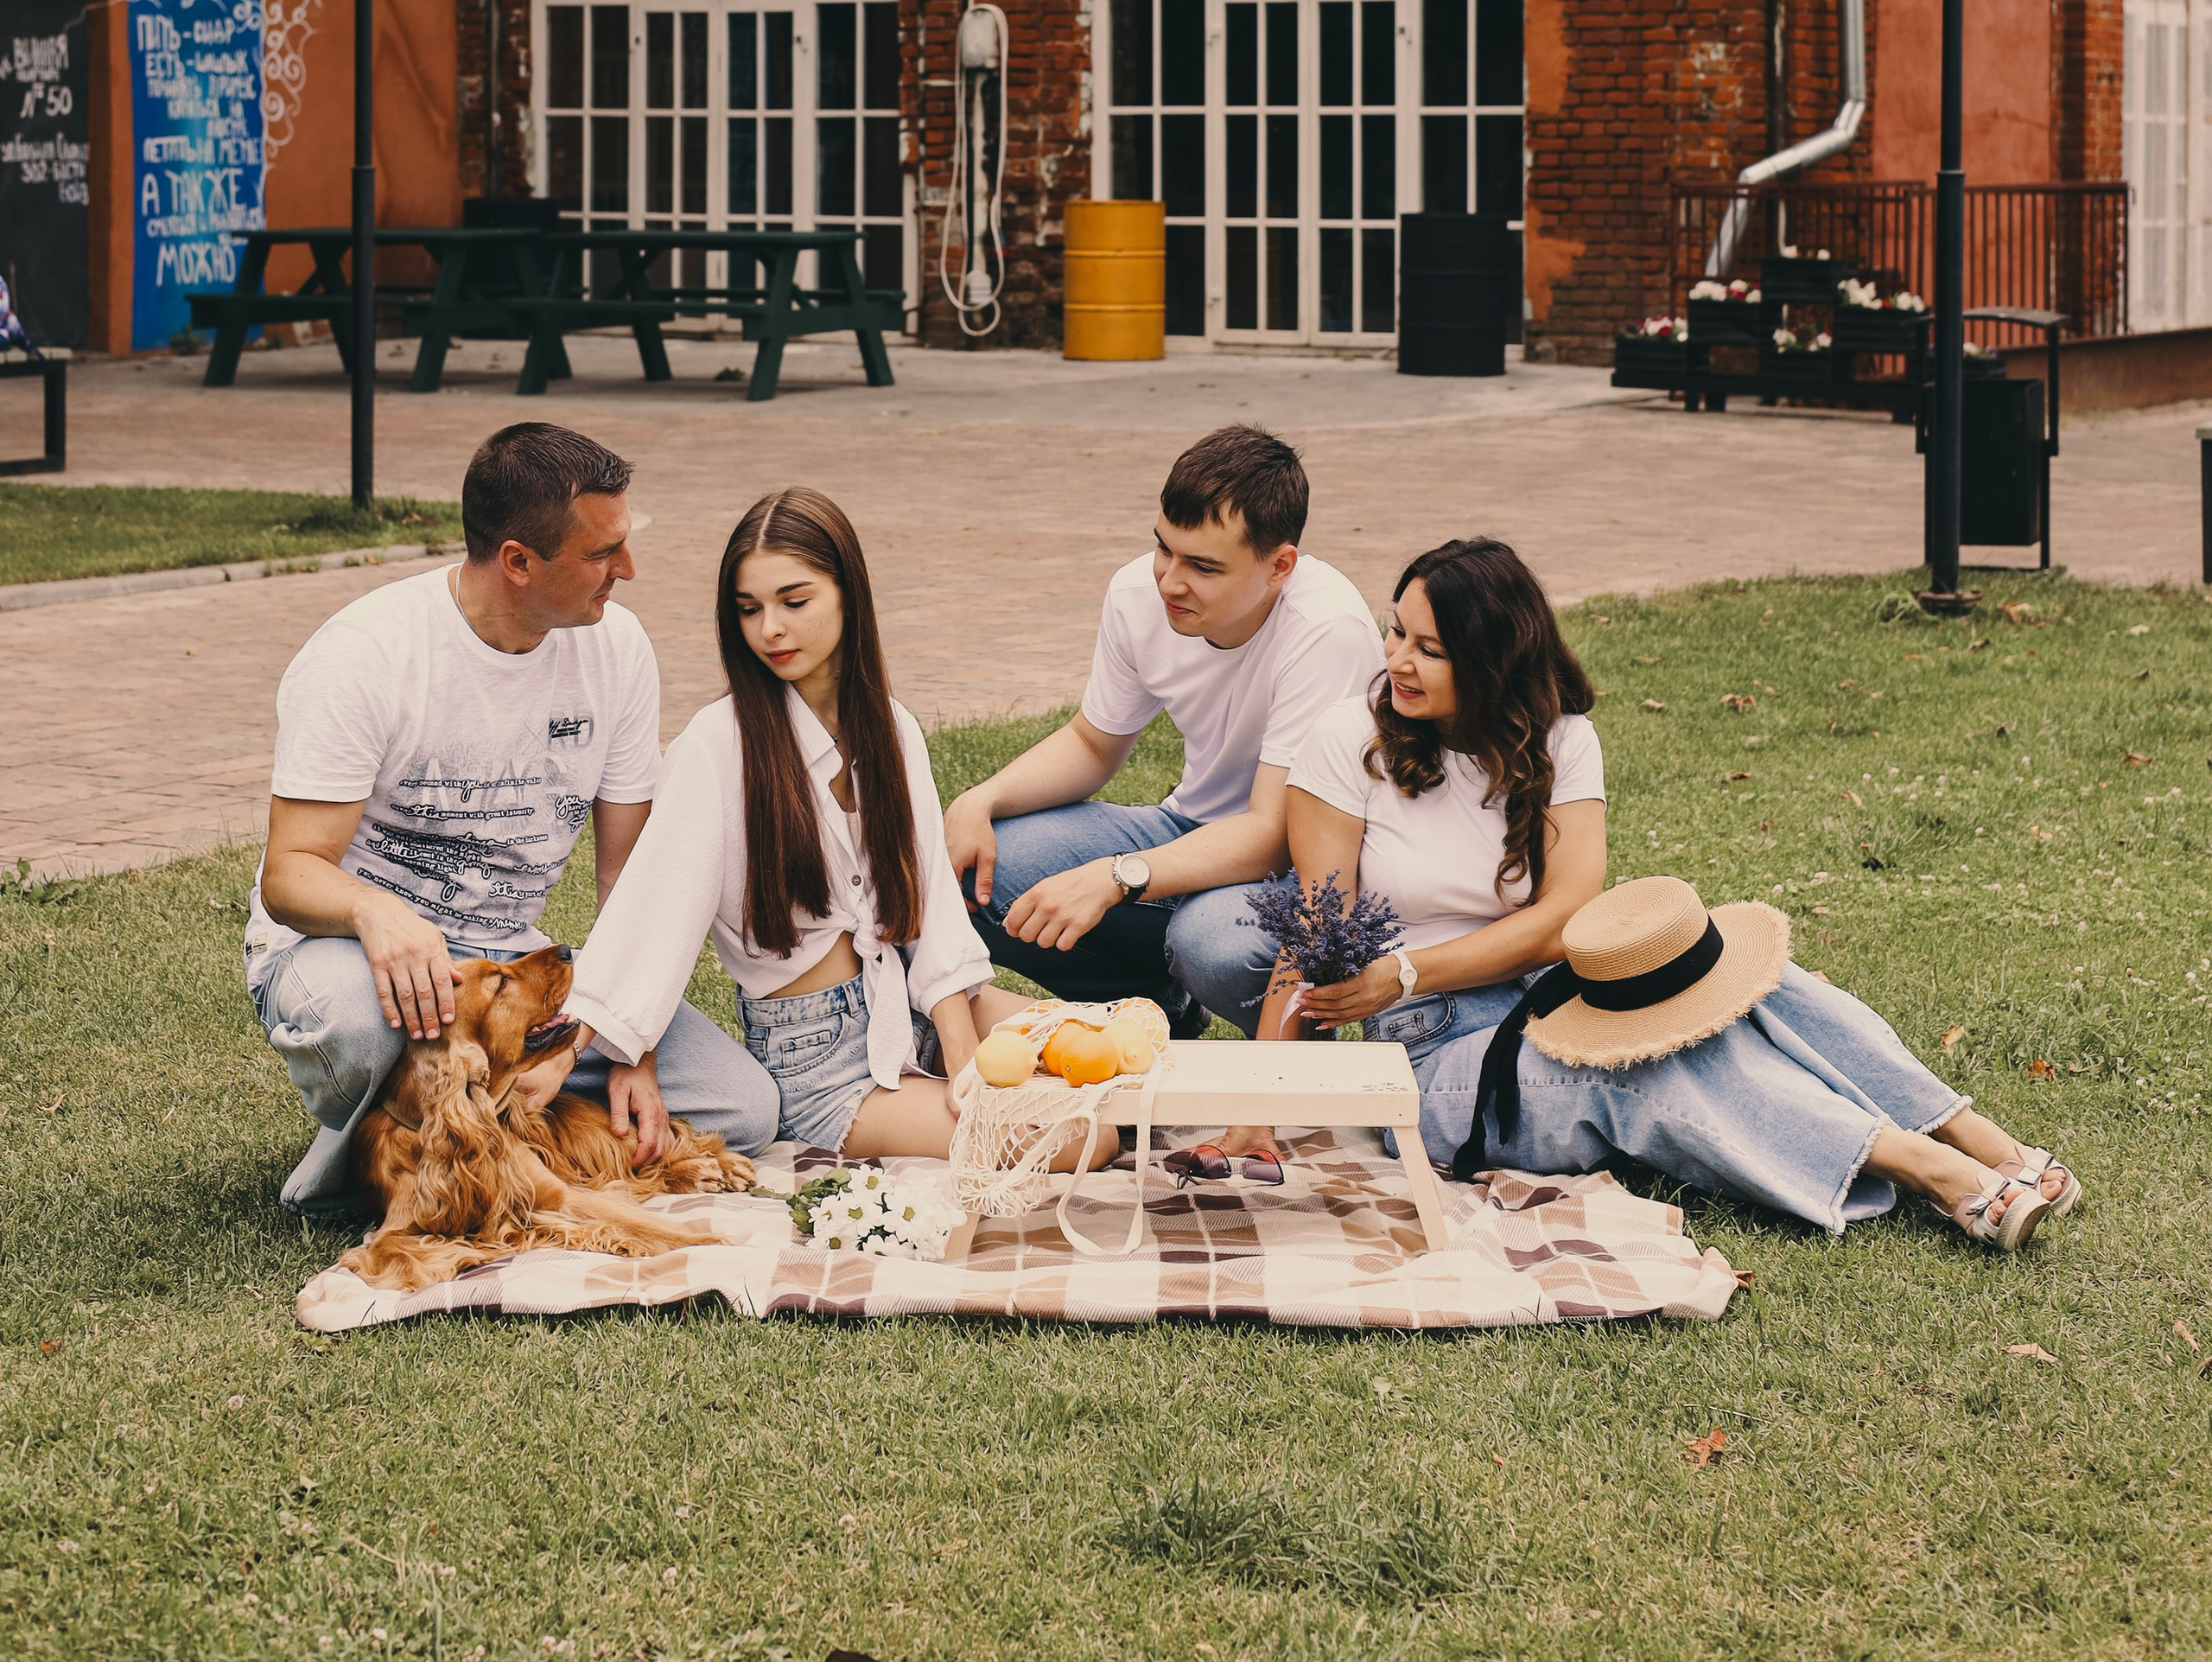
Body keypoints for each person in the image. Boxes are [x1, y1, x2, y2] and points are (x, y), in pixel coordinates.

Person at [1241, 533, 2081, 1247]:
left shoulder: (1561, 740)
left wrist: (1414, 966)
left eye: (1428, 648)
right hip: (1430, 1054)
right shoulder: (1349, 738)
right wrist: (1256, 1107)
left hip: (1550, 988)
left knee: (1756, 982)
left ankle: (1973, 1135)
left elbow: (1564, 916)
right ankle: (1926, 1167)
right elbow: (1312, 935)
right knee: (1635, 1071)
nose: (1396, 662)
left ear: (1496, 662)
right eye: (1395, 634)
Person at [246, 423, 779, 1207]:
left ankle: (480, 1136)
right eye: (601, 556)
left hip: (508, 970)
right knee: (362, 1029)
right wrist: (374, 913)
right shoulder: (367, 655)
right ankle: (361, 1160)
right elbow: (289, 873)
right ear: (518, 562)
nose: (626, 571)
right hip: (348, 953)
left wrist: (624, 1038)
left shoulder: (619, 651)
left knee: (742, 1107)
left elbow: (630, 880)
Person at [569, 487, 1039, 1158]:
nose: (770, 631)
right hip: (817, 1061)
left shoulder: (892, 728)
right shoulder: (717, 744)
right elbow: (654, 913)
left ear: (848, 593)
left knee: (1118, 1064)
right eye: (750, 610)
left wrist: (963, 1052)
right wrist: (629, 1050)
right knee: (1071, 1134)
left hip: (911, 1004)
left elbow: (932, 903)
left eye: (795, 602)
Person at [944, 423, 1380, 1037]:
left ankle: (1294, 1060)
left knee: (1208, 941)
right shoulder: (1137, 593)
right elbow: (1093, 743)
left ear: (1279, 565)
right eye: (1164, 549)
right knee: (971, 873)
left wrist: (1118, 875)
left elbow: (1276, 836)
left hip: (1308, 871)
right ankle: (1156, 1010)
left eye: (1203, 566)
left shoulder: (1327, 629)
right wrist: (980, 800)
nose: (1169, 580)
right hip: (1190, 827)